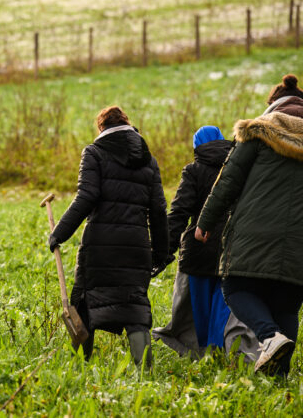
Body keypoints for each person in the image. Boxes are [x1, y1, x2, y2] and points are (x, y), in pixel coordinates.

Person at [48, 105, 167, 366]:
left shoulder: (94, 152)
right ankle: (144, 372)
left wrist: (59, 233)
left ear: (101, 127)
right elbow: (158, 210)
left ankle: (80, 365)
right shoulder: (149, 160)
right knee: (135, 306)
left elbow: (86, 196)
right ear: (128, 124)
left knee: (84, 302)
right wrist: (160, 253)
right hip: (137, 248)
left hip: (100, 245)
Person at [196, 94, 303, 375]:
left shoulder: (258, 133)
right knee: (287, 306)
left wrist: (205, 221)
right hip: (298, 243)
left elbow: (228, 180)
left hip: (254, 233)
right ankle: (279, 378)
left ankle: (269, 337)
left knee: (235, 288)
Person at [152, 126, 235, 356]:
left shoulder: (193, 170)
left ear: (196, 146)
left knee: (199, 309)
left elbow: (179, 212)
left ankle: (203, 352)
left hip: (198, 250)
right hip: (230, 248)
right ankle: (219, 350)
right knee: (224, 302)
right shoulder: (236, 169)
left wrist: (164, 251)